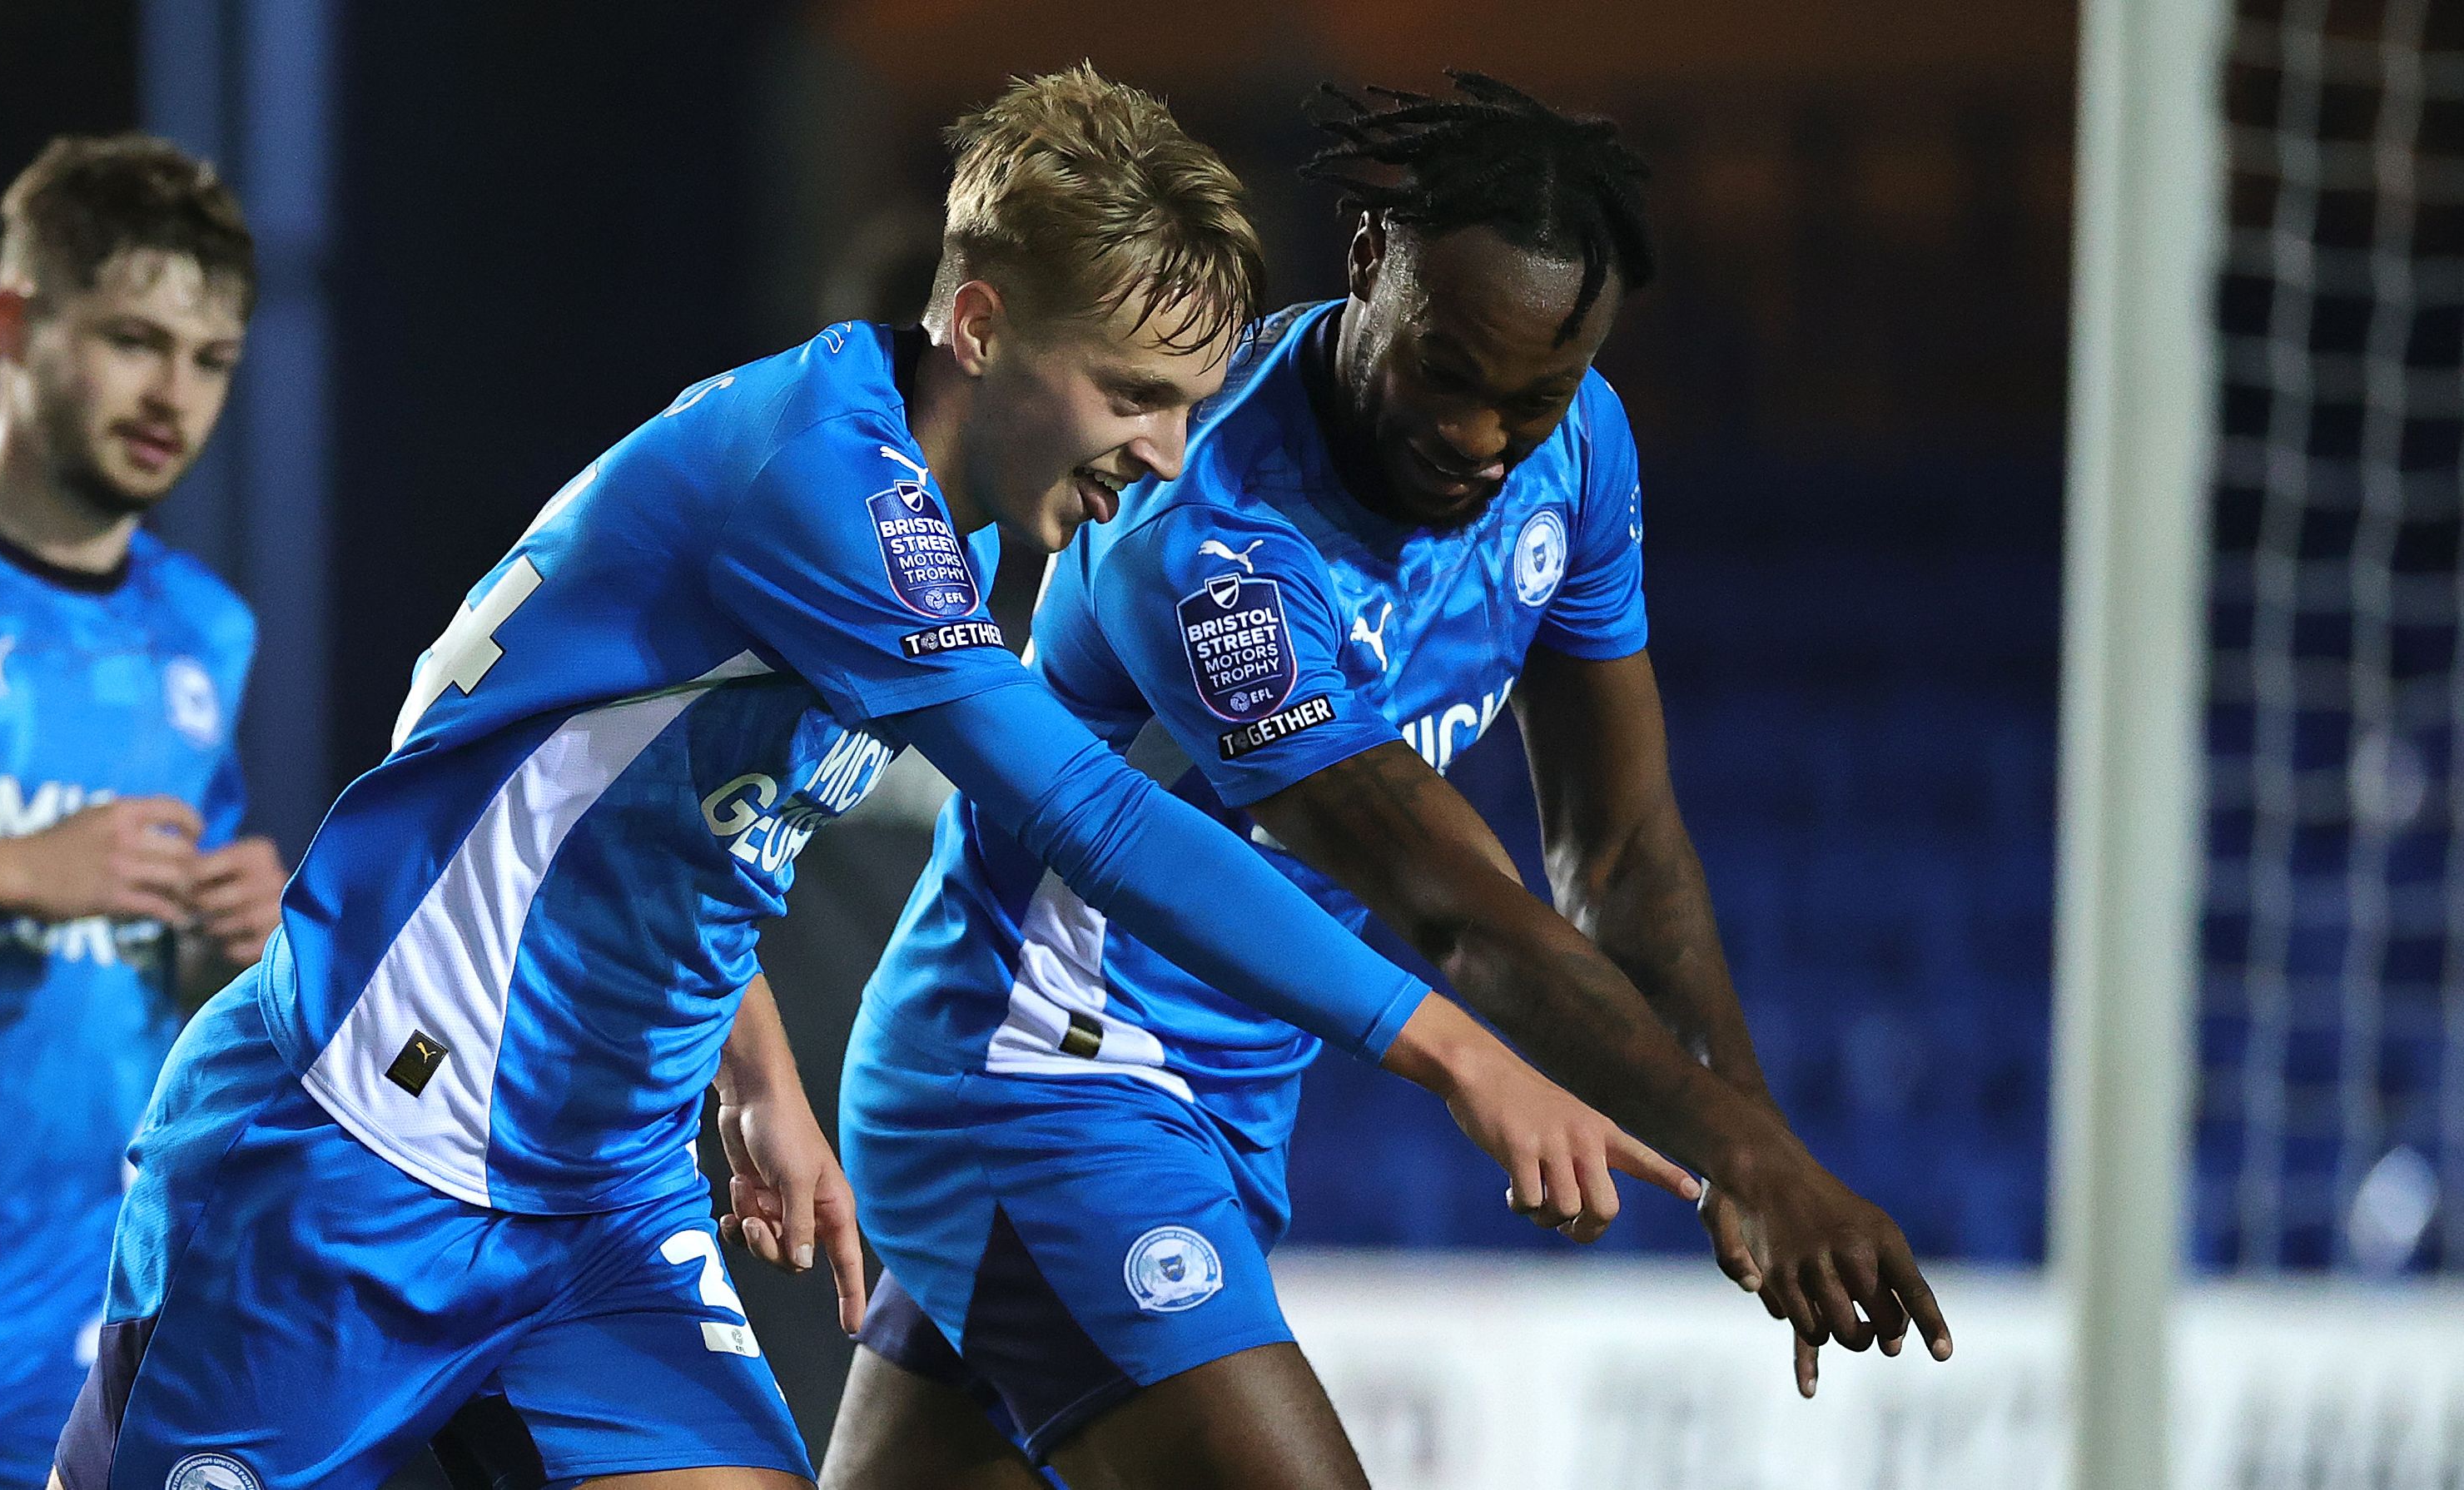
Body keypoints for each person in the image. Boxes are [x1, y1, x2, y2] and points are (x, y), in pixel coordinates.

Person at [51, 66, 1687, 1490]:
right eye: (1131, 394)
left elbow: (613, 790)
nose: (1163, 457)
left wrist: (750, 1062)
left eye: (1190, 409)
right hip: (353, 1149)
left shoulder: (924, 510)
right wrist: (1447, 1044)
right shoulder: (824, 485)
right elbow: (1095, 812)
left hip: (598, 1202)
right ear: (979, 324)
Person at [824, 73, 1955, 1490]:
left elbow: (1616, 849)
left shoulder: (1579, 451)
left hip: (1217, 1109)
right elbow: (1445, 905)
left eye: (1528, 398)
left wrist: (1756, 1149)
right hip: (1041, 1081)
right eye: (1445, 372)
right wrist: (1745, 1155)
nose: (1480, 436)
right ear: (1368, 259)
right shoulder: (1207, 523)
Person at [0, 135, 282, 1490]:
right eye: (135, 341)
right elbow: (48, 877)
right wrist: (13, 868)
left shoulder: (206, 629)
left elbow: (148, 955)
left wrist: (227, 944)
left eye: (211, 361)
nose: (173, 395)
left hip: (54, 1324)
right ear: (11, 322)